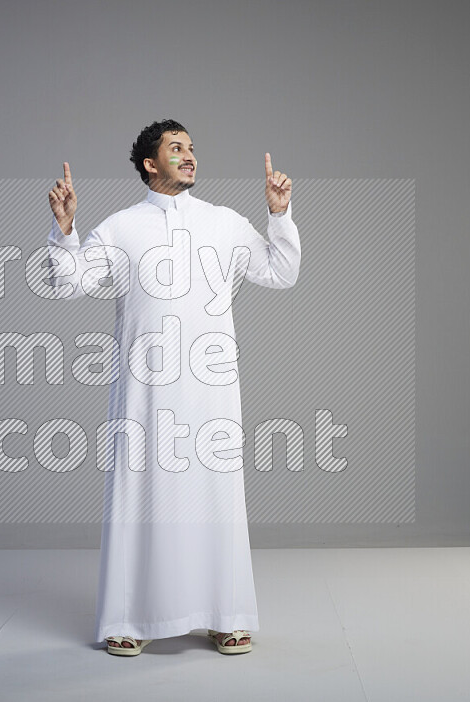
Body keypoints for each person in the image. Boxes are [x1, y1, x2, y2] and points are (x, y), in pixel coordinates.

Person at [46, 119, 301, 655]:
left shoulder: (224, 223)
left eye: (191, 149)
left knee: (214, 496)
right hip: (145, 393)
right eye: (176, 148)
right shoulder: (120, 228)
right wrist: (66, 230)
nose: (189, 156)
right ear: (149, 163)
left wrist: (279, 214)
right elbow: (72, 284)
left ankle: (225, 614)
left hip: (211, 390)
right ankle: (128, 620)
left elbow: (281, 271)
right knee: (141, 496)